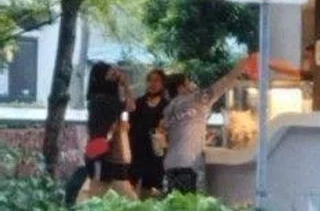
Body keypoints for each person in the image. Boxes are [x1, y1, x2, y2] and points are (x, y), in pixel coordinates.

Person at [162, 55, 255, 194]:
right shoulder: (198, 100)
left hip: (170, 163)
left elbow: (179, 133)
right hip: (189, 164)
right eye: (189, 82)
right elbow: (224, 83)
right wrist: (242, 65)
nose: (193, 84)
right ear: (181, 88)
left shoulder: (168, 109)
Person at [78, 61, 138, 202]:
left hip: (97, 149)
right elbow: (132, 106)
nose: (115, 76)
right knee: (97, 192)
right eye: (111, 73)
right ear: (102, 76)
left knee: (100, 191)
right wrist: (125, 84)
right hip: (100, 150)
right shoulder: (105, 100)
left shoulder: (95, 99)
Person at [130, 68, 168, 198]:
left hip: (155, 153)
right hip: (136, 150)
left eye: (156, 80)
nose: (152, 83)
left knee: (151, 190)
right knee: (131, 187)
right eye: (149, 80)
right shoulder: (138, 102)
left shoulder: (167, 105)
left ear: (163, 83)